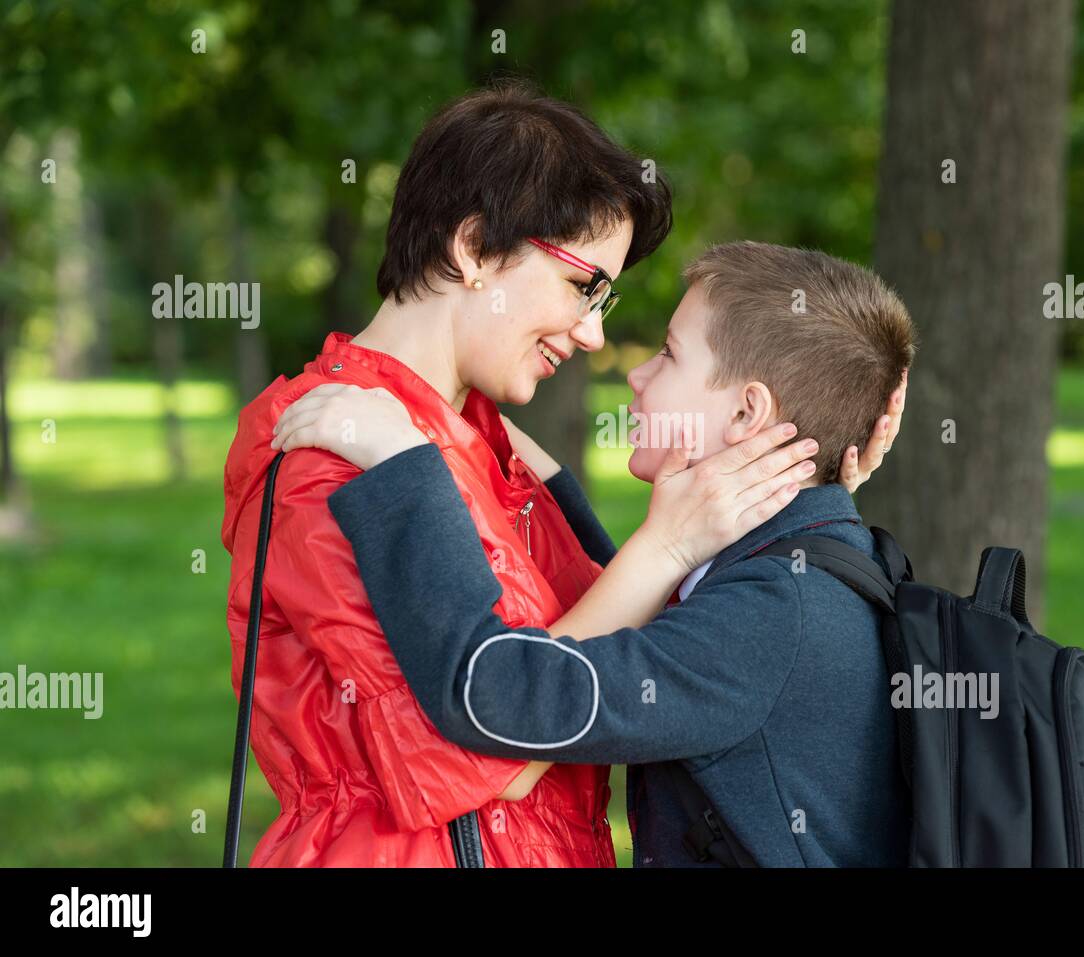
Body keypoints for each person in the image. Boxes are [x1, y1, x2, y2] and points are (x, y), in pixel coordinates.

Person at [222, 82, 898, 867]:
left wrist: (817, 482)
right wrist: (664, 546)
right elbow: (481, 753)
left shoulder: (476, 443)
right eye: (585, 286)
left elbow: (636, 645)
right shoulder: (337, 446)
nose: (592, 333)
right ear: (473, 248)